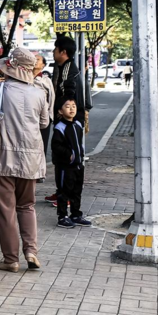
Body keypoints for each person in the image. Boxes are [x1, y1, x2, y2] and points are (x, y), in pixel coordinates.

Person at [0, 47, 50, 272]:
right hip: (31, 160)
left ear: (10, 68)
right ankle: (31, 251)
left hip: (1, 159)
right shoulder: (39, 92)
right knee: (27, 206)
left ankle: (10, 260)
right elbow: (44, 123)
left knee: (6, 210)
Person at [48, 36, 84, 206]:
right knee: (59, 156)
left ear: (63, 52)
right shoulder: (63, 67)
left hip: (68, 121)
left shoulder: (69, 69)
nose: (53, 53)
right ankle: (60, 191)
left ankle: (66, 196)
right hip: (64, 119)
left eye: (55, 50)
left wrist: (66, 115)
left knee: (66, 157)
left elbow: (68, 95)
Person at [51, 95, 92, 228]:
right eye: (67, 107)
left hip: (78, 166)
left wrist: (80, 155)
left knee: (76, 191)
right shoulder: (60, 127)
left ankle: (76, 214)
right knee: (64, 191)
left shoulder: (78, 124)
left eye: (73, 106)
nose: (71, 109)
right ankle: (62, 216)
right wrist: (69, 155)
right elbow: (56, 146)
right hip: (65, 167)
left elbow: (79, 142)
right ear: (60, 111)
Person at [33, 53, 55, 183]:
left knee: (42, 146)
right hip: (29, 119)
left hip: (43, 118)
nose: (35, 61)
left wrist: (50, 116)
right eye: (34, 59)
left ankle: (40, 173)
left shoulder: (46, 81)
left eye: (38, 59)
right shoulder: (25, 78)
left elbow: (51, 99)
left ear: (43, 65)